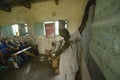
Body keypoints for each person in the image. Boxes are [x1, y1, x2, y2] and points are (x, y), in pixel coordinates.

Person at [52, 0, 96, 80]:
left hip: (72, 68)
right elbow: (55, 54)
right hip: (63, 68)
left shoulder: (74, 37)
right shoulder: (60, 42)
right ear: (61, 35)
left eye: (65, 31)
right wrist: (63, 48)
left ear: (68, 32)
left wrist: (87, 6)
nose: (64, 33)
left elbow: (83, 23)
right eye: (62, 32)